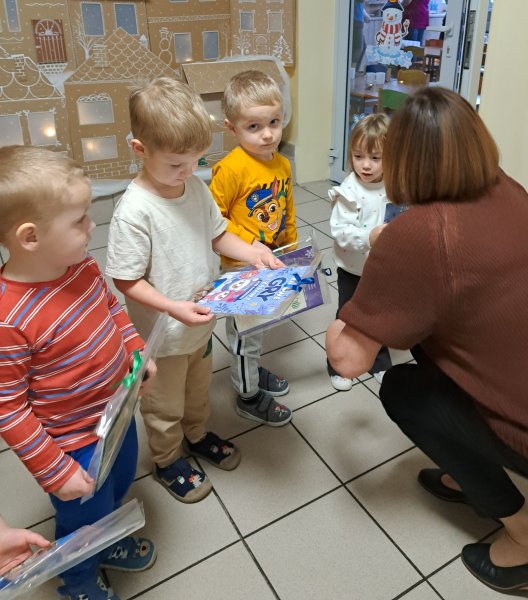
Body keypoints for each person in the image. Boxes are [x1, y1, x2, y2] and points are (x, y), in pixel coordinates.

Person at [325, 87, 528, 595]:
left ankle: (524, 535)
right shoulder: (510, 189)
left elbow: (348, 360)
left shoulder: (419, 232)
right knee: (426, 342)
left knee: (401, 389)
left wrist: (336, 312)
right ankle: (468, 468)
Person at [106, 77, 284, 504]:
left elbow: (218, 234)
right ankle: (167, 459)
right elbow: (126, 280)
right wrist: (173, 308)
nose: (187, 172)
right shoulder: (134, 211)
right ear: (140, 149)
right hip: (163, 336)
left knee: (197, 392)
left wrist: (252, 252)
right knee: (163, 405)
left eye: (195, 161)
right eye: (176, 164)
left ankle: (198, 434)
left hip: (199, 324)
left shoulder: (196, 188)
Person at [0, 146, 157, 600]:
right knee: (82, 520)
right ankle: (78, 581)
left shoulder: (81, 267)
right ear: (30, 237)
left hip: (116, 414)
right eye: (80, 220)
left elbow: (111, 308)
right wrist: (55, 471)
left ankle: (106, 539)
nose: (92, 226)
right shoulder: (9, 318)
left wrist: (136, 350)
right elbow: (9, 408)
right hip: (72, 444)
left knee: (119, 484)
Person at [210, 70, 297, 427]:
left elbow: (287, 208)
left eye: (274, 122)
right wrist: (249, 243)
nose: (268, 134)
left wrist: (291, 248)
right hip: (240, 267)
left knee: (258, 328)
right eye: (254, 127)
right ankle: (248, 396)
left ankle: (252, 370)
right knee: (245, 335)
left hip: (271, 261)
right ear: (232, 128)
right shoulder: (230, 169)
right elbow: (211, 219)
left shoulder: (283, 163)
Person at [327, 113, 393, 392]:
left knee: (380, 316)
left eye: (375, 158)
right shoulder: (348, 191)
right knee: (348, 314)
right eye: (358, 156)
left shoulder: (394, 186)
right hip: (352, 268)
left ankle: (379, 360)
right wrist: (369, 237)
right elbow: (340, 231)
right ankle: (339, 363)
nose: (365, 165)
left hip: (382, 270)